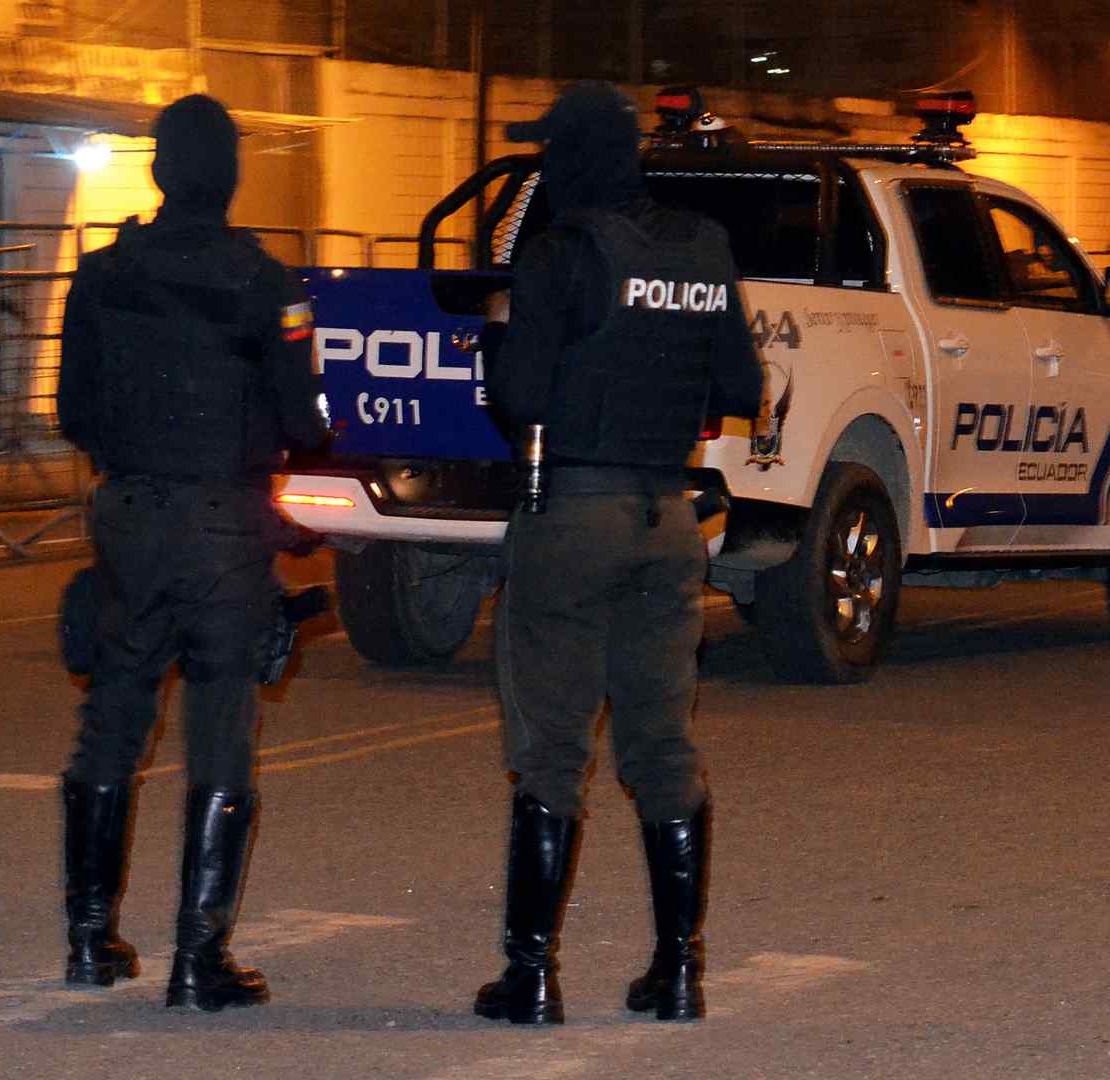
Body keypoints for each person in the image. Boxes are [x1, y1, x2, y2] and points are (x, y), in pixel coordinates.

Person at [475, 82, 764, 1026]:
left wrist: (500, 346)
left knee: (553, 746)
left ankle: (532, 975)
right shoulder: (700, 244)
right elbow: (738, 384)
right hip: (670, 521)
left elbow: (519, 396)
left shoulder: (563, 252)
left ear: (571, 161)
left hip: (576, 513)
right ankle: (677, 971)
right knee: (663, 742)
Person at [54, 94, 327, 1011]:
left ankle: (91, 940)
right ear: (230, 174)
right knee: (221, 729)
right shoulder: (266, 282)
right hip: (225, 525)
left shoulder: (102, 274)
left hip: (128, 515)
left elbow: (74, 413)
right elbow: (302, 418)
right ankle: (197, 959)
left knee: (113, 719)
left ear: (160, 169)